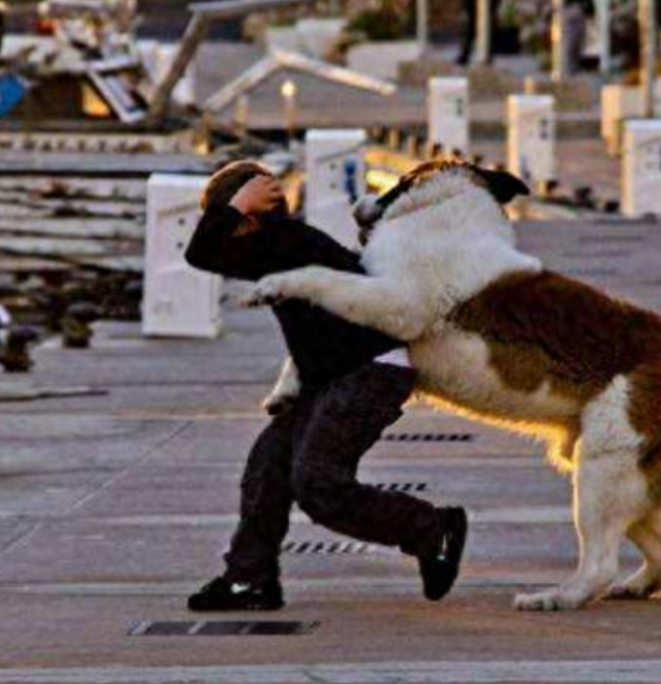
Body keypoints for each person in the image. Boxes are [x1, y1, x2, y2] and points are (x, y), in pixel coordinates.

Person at [183, 160, 468, 611]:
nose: (227, 229)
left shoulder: (284, 243)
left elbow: (201, 252)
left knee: (318, 484)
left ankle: (431, 529)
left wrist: (236, 205)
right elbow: (210, 248)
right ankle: (249, 580)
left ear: (250, 219)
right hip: (336, 377)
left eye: (232, 219)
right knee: (268, 469)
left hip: (371, 371)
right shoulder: (281, 245)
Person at [561, 0, 594, 76]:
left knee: (579, 43)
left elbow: (590, 5)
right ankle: (569, 67)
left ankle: (576, 66)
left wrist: (588, 13)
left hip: (581, 18)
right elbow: (563, 3)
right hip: (568, 19)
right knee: (569, 43)